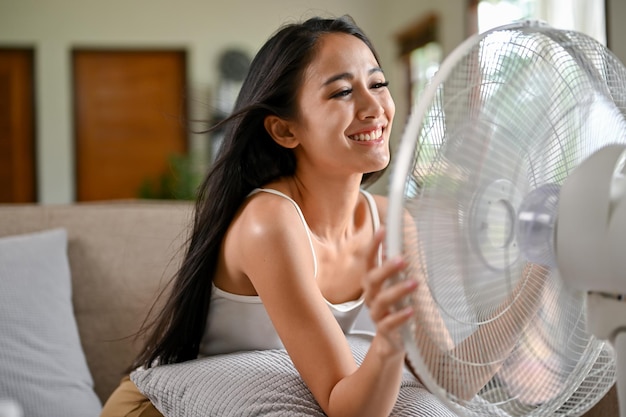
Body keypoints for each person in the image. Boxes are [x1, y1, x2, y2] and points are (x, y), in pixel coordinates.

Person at [100, 14, 415, 417]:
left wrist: (525, 284)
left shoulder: (393, 222)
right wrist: (390, 342)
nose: (374, 108)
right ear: (285, 131)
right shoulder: (270, 222)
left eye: (378, 84)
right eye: (341, 92)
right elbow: (346, 408)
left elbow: (452, 374)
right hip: (160, 409)